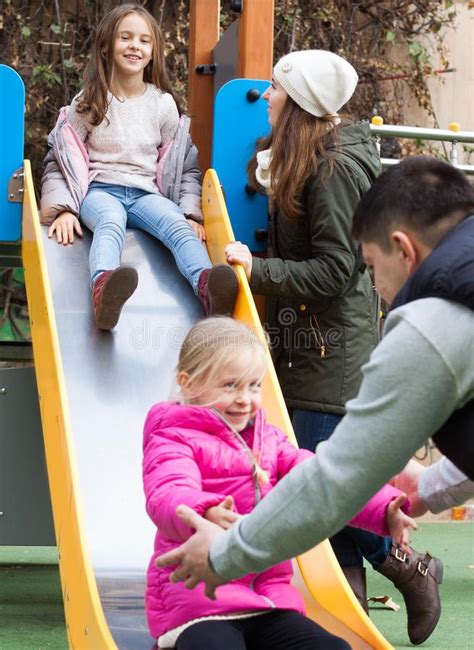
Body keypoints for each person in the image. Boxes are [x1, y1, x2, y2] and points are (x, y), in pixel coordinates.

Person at [156, 156, 474, 645]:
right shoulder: (174, 431)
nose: (377, 291)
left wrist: (222, 556)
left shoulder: (434, 319)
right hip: (201, 609)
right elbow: (169, 490)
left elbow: (335, 481)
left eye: (370, 269)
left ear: (402, 250)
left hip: (257, 594)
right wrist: (427, 485)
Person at [224, 49, 432, 635]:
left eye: (275, 88)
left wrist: (255, 269)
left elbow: (335, 270)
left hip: (332, 349)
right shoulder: (309, 157)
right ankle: (352, 619)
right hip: (312, 345)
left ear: (300, 102)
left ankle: (410, 566)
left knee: (321, 488)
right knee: (322, 488)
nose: (266, 97)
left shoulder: (335, 168)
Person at [143, 317, 416, 649]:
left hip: (268, 601)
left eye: (254, 386)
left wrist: (383, 508)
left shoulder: (268, 439)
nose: (245, 399)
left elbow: (322, 479)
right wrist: (206, 513)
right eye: (230, 385)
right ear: (189, 383)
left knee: (333, 648)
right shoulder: (174, 435)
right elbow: (169, 490)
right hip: (200, 602)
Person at [40, 4, 237, 330]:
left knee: (176, 226)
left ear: (153, 53)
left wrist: (189, 213)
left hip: (146, 193)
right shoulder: (90, 101)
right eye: (126, 37)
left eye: (144, 41)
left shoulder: (162, 104)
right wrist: (63, 210)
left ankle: (206, 286)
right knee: (110, 221)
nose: (135, 46)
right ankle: (104, 288)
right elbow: (60, 158)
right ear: (106, 46)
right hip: (100, 190)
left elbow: (185, 165)